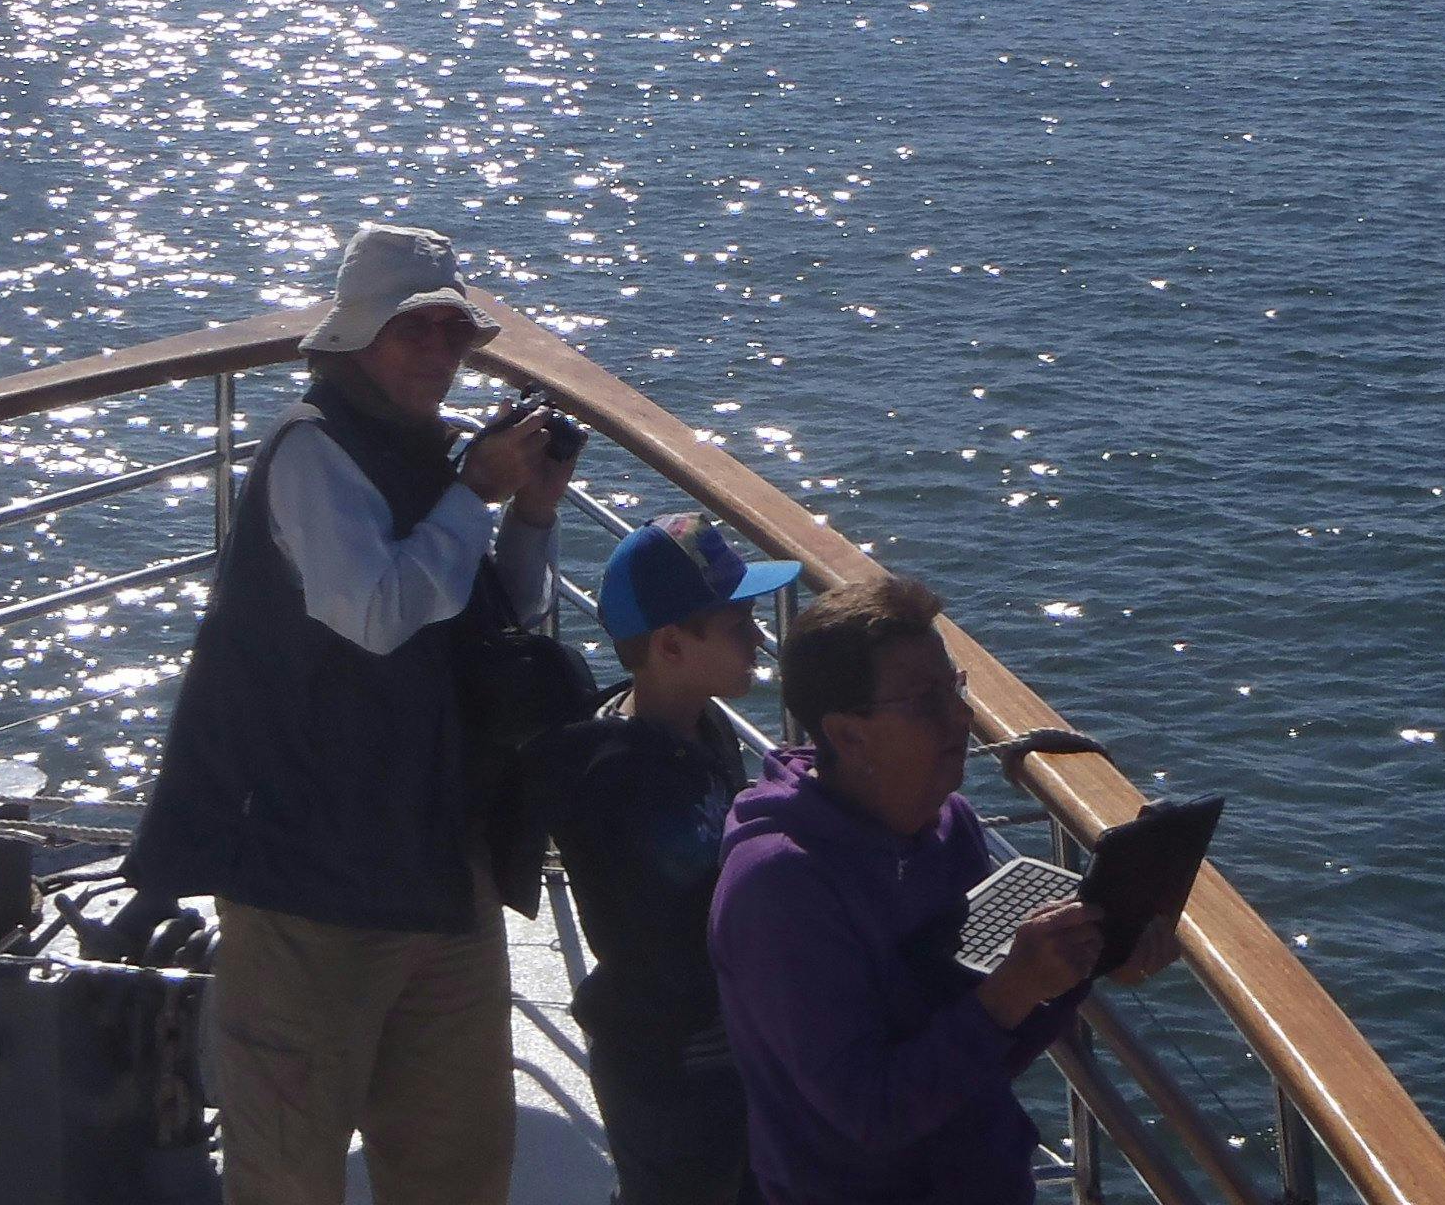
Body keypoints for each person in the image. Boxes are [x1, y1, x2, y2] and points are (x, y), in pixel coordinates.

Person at [127, 222, 576, 1205]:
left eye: (454, 333)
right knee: (290, 1173)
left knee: (459, 1166)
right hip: (308, 884)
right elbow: (376, 613)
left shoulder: (438, 456)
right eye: (414, 330)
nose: (439, 354)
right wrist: (473, 492)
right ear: (356, 339)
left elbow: (487, 622)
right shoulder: (312, 455)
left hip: (439, 867)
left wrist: (529, 514)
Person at [708, 575, 1182, 1205]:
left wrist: (1089, 959)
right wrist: (1014, 990)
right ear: (848, 735)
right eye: (925, 702)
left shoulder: (946, 823)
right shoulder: (779, 887)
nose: (961, 717)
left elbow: (982, 1047)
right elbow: (871, 1111)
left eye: (955, 690)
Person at [524, 515, 800, 1205]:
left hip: (717, 1043)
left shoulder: (701, 724)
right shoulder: (619, 777)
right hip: (670, 1060)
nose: (758, 637)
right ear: (671, 645)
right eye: (737, 623)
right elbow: (670, 933)